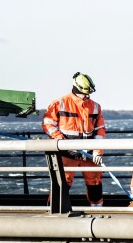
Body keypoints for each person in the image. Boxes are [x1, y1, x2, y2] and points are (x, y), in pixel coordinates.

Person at [41, 72, 106, 206]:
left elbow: (100, 129)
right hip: (67, 154)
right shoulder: (59, 103)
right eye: (85, 93)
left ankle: (97, 212)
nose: (87, 96)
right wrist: (61, 140)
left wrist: (97, 151)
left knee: (95, 185)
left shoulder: (95, 107)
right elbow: (48, 124)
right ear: (77, 89)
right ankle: (53, 213)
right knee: (62, 184)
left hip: (88, 155)